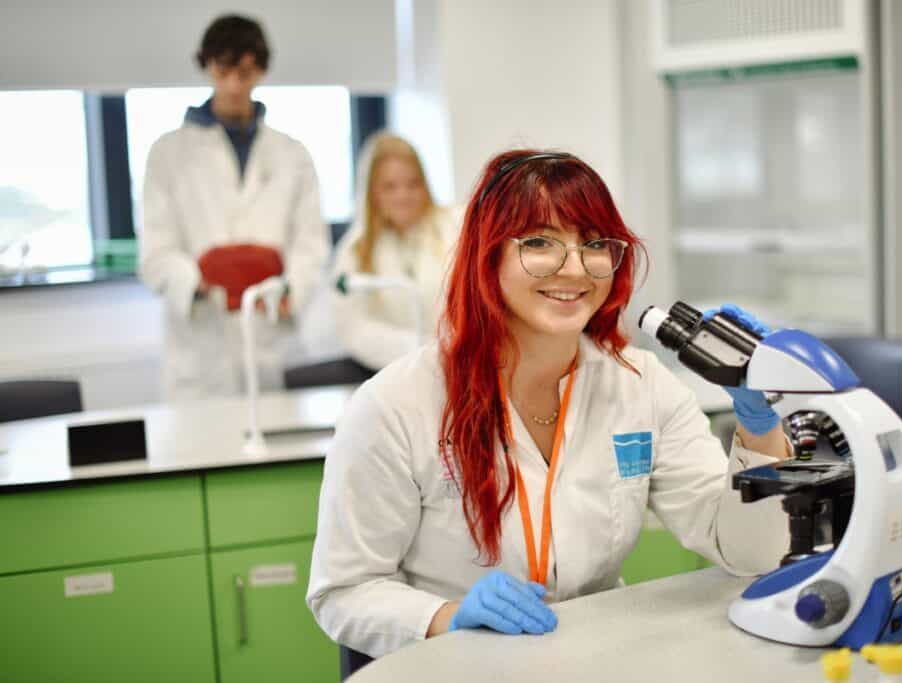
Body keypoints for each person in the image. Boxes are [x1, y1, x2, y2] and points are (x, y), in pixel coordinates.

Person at [307, 150, 791, 661]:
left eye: (594, 243)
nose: (574, 267)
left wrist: (760, 427)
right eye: (539, 242)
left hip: (590, 661)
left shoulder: (642, 386)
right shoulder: (397, 404)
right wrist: (447, 616)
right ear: (486, 255)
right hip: (452, 666)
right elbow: (343, 593)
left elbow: (750, 552)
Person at [139, 14, 328, 398]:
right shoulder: (168, 153)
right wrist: (198, 280)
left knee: (279, 445)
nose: (233, 85)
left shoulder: (292, 154)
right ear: (207, 65)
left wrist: (290, 288)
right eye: (223, 70)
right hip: (202, 340)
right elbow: (156, 251)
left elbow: (311, 242)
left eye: (244, 71)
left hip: (271, 333)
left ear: (260, 69)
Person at [330, 132, 462, 375]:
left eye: (413, 184)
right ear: (373, 192)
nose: (403, 196)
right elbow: (354, 327)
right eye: (390, 187)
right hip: (396, 373)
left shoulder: (457, 226)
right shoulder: (356, 250)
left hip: (461, 365)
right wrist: (419, 350)